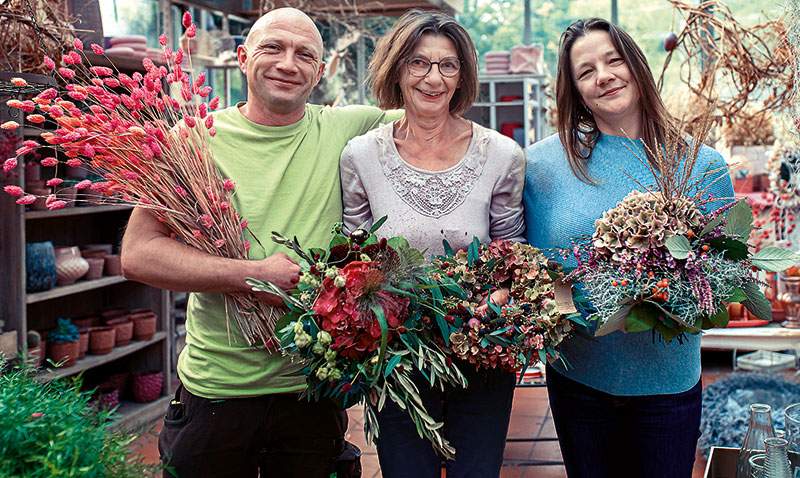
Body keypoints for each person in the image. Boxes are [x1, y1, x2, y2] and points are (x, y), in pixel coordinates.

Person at [121, 8, 394, 478]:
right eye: (273, 48)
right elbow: (138, 254)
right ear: (243, 58)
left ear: (320, 72)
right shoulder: (193, 140)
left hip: (310, 387)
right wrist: (252, 275)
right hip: (216, 392)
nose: (288, 63)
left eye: (305, 54)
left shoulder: (349, 129)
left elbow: (436, 110)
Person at [523, 18, 734, 478]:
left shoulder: (702, 165)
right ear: (576, 91)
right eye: (586, 71)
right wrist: (582, 315)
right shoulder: (542, 166)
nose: (604, 75)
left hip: (668, 383)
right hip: (579, 377)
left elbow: (724, 279)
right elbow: (536, 272)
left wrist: (669, 299)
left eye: (613, 60)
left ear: (636, 66)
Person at [339, 9, 525, 478]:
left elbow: (511, 251)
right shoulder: (361, 156)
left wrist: (492, 308)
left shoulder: (501, 155)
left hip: (479, 351)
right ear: (397, 69)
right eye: (418, 63)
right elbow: (354, 258)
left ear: (462, 76)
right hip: (396, 356)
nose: (433, 78)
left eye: (448, 65)